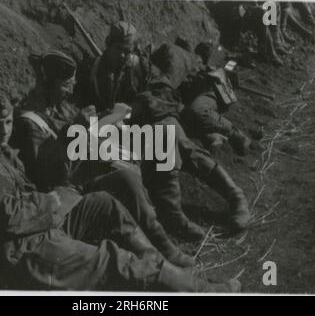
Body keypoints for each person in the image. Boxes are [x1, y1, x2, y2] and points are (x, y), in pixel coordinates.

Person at [0, 91, 242, 291]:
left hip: (40, 225)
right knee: (114, 261)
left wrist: (52, 200)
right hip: (25, 249)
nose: (4, 130)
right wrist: (52, 200)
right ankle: (204, 291)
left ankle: (168, 271)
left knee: (103, 204)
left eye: (6, 122)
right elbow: (9, 217)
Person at [10, 49, 196, 268]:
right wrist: (77, 128)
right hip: (65, 196)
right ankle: (156, 256)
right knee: (126, 177)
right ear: (45, 84)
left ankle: (163, 243)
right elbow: (51, 173)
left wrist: (107, 118)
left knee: (135, 165)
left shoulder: (57, 107)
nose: (71, 88)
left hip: (82, 177)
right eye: (65, 84)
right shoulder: (28, 123)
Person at [78, 21, 251, 234]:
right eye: (119, 50)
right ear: (107, 45)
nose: (124, 56)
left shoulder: (142, 66)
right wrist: (98, 116)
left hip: (149, 123)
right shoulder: (91, 72)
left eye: (128, 51)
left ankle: (235, 197)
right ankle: (171, 217)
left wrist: (138, 107)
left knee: (178, 142)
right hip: (116, 136)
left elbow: (168, 96)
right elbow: (81, 107)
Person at [179, 42, 251, 155]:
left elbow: (222, 69)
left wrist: (204, 72)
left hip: (210, 92)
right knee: (185, 117)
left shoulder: (204, 61)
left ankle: (235, 133)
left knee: (198, 110)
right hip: (193, 96)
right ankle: (215, 137)